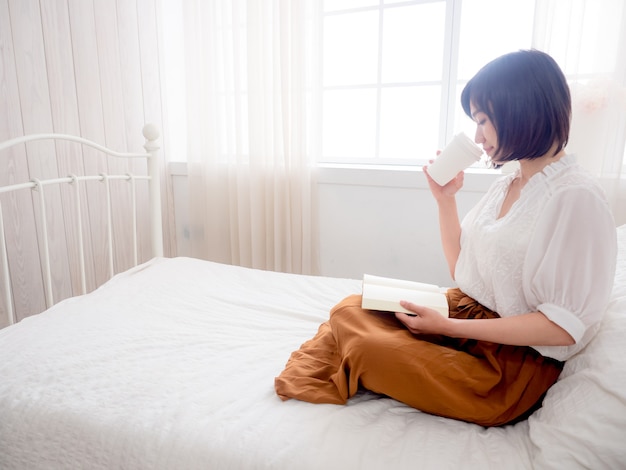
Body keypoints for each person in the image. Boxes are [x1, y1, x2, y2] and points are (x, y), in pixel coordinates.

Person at [274, 49, 617, 427]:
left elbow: (561, 327)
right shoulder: (511, 182)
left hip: (507, 365)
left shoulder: (575, 197)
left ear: (521, 110)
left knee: (368, 348)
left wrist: (448, 327)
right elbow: (462, 269)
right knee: (352, 308)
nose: (477, 136)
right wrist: (445, 200)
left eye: (484, 121)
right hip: (470, 319)